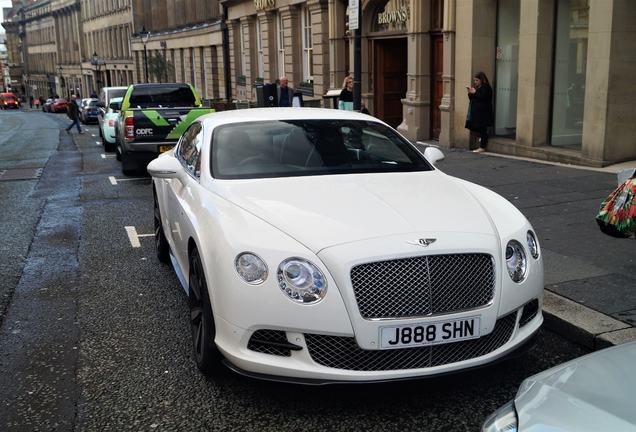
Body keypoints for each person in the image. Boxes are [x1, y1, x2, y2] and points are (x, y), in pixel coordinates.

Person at [465, 71, 493, 153]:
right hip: (477, 113)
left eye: (477, 80)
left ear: (481, 80)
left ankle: (482, 147)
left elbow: (483, 97)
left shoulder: (486, 88)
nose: (475, 82)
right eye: (475, 80)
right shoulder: (478, 88)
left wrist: (475, 92)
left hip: (483, 113)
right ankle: (481, 140)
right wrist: (470, 93)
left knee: (482, 129)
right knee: (475, 127)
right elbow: (473, 98)